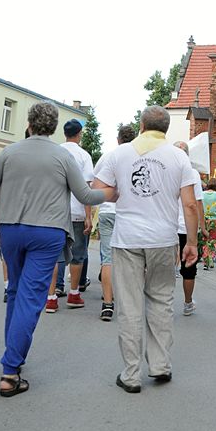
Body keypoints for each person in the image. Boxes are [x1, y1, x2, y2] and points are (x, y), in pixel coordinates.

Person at [0, 101, 115, 397]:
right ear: (52, 127)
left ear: (29, 122)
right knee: (31, 296)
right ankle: (10, 369)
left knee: (15, 291)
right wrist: (114, 192)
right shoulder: (62, 156)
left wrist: (5, 189)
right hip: (47, 231)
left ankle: (14, 358)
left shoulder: (10, 152)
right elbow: (85, 195)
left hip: (11, 228)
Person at [92, 105, 198, 393]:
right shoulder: (178, 157)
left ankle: (131, 374)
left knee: (129, 305)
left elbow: (98, 191)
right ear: (165, 129)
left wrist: (118, 192)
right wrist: (191, 242)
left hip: (127, 239)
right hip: (163, 239)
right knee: (161, 301)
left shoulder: (119, 154)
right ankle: (161, 365)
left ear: (141, 125)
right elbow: (189, 204)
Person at [44, 118, 95, 312]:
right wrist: (88, 216)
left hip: (53, 212)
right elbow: (86, 188)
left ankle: (51, 297)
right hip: (76, 212)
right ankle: (74, 293)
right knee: (77, 255)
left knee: (53, 255)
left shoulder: (53, 152)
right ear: (79, 134)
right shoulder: (83, 156)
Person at [93, 123, 137, 321]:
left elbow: (95, 186)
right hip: (128, 213)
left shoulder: (108, 156)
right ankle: (128, 303)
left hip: (107, 211)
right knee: (129, 258)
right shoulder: (137, 157)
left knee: (107, 258)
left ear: (118, 139)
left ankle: (107, 304)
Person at [173, 141, 207, 314]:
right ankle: (187, 303)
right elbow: (196, 203)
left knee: (163, 267)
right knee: (188, 268)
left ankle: (161, 302)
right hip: (187, 227)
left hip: (167, 226)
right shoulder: (192, 173)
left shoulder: (165, 169)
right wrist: (202, 225)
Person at [201, 178, 216, 270]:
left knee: (204, 239)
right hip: (214, 219)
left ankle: (205, 260)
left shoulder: (202, 194)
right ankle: (211, 258)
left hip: (204, 219)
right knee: (213, 240)